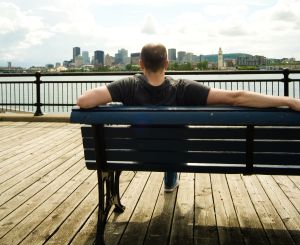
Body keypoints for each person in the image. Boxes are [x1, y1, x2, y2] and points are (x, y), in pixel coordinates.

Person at [77, 43, 300, 192]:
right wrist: (288, 101)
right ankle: (170, 175)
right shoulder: (183, 87)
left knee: (156, 138)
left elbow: (84, 102)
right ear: (167, 64)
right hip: (179, 154)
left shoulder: (128, 85)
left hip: (137, 155)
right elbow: (236, 97)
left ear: (141, 64)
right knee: (172, 137)